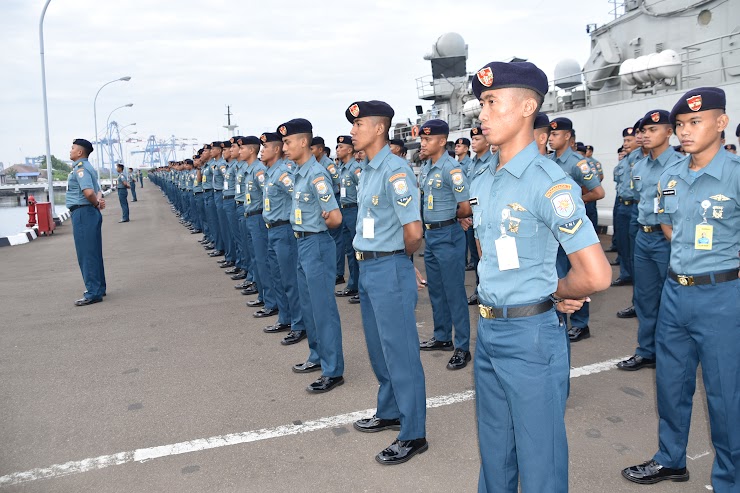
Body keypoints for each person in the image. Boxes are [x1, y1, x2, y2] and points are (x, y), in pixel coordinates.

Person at [470, 60, 611, 493]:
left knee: (540, 461)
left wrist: (556, 291)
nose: (482, 113)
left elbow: (596, 273)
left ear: (528, 106)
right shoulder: (483, 177)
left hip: (530, 337)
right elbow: (488, 252)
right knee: (495, 453)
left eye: (493, 101)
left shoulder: (549, 183)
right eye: (481, 103)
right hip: (489, 329)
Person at [622, 87, 740, 491]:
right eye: (682, 125)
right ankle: (671, 459)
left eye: (695, 122)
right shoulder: (670, 177)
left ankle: (730, 479)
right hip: (675, 293)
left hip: (722, 296)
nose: (685, 133)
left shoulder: (736, 175)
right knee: (671, 386)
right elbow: (670, 227)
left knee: (726, 397)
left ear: (721, 123)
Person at [345, 99, 428, 465]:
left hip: (389, 267)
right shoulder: (368, 170)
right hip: (368, 268)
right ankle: (390, 410)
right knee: (379, 348)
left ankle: (413, 433)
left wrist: (401, 260)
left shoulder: (395, 171)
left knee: (401, 353)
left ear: (379, 128)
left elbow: (413, 230)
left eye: (358, 125)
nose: (352, 131)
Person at [280, 118, 345, 393]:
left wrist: (322, 223)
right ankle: (317, 356)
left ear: (303, 141)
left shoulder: (317, 175)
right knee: (309, 307)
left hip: (317, 244)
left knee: (323, 309)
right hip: (302, 243)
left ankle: (333, 370)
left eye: (287, 141)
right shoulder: (298, 172)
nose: (284, 147)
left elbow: (336, 218)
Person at [616, 110, 683, 371]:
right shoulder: (639, 165)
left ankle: (673, 352)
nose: (645, 135)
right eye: (643, 131)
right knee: (644, 298)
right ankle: (647, 351)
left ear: (669, 132)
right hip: (643, 237)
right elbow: (641, 201)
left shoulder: (679, 164)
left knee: (672, 298)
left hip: (667, 238)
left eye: (652, 130)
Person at [417, 119, 473, 370]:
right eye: (422, 139)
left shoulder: (452, 169)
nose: (423, 143)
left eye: (427, 139)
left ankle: (462, 346)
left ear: (442, 141)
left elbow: (466, 205)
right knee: (436, 291)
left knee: (454, 293)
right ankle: (442, 337)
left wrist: (455, 219)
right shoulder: (427, 167)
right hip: (431, 237)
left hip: (448, 235)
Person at [548, 117, 606, 341]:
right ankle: (561, 313)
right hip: (555, 229)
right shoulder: (547, 160)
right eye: (550, 135)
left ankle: (581, 323)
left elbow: (598, 192)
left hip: (573, 226)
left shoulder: (579, 163)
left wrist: (572, 202)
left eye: (555, 135)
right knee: (558, 272)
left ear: (568, 137)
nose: (551, 138)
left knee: (578, 272)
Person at [259, 132, 305, 340]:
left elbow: (299, 195)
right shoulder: (270, 172)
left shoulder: (283, 173)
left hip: (285, 229)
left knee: (290, 280)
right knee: (277, 276)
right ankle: (285, 317)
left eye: (265, 147)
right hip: (272, 230)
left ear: (276, 149)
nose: (261, 151)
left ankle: (299, 323)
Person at [241, 135, 279, 318]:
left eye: (242, 148)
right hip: (251, 216)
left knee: (263, 261)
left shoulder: (259, 171)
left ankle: (271, 301)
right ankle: (264, 296)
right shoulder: (250, 170)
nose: (239, 151)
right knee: (256, 259)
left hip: (258, 218)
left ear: (251, 150)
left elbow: (268, 196)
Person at [67, 139, 107, 306]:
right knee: (94, 252)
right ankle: (99, 288)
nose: (70, 151)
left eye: (72, 148)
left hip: (83, 213)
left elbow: (89, 192)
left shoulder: (81, 168)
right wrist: (98, 203)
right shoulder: (89, 168)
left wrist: (96, 203)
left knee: (86, 254)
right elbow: (98, 191)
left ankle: (93, 292)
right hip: (90, 212)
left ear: (80, 152)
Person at [463, 125, 494, 305]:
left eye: (477, 139)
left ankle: (490, 291)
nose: (474, 142)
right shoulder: (472, 163)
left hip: (487, 217)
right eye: (472, 139)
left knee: (488, 256)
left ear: (487, 141)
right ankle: (479, 289)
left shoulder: (493, 162)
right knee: (476, 258)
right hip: (472, 217)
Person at [311, 136, 345, 284]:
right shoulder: (316, 165)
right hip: (323, 205)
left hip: (332, 203)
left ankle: (338, 273)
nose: (310, 152)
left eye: (312, 149)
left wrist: (330, 203)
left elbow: (338, 183)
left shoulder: (328, 165)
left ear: (320, 149)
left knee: (336, 240)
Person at [334, 135, 361, 298]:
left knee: (357, 250)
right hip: (344, 210)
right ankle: (353, 284)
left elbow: (363, 189)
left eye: (340, 147)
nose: (337, 150)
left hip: (354, 210)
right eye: (337, 147)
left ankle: (360, 286)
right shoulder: (342, 168)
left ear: (350, 150)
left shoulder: (355, 169)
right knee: (349, 250)